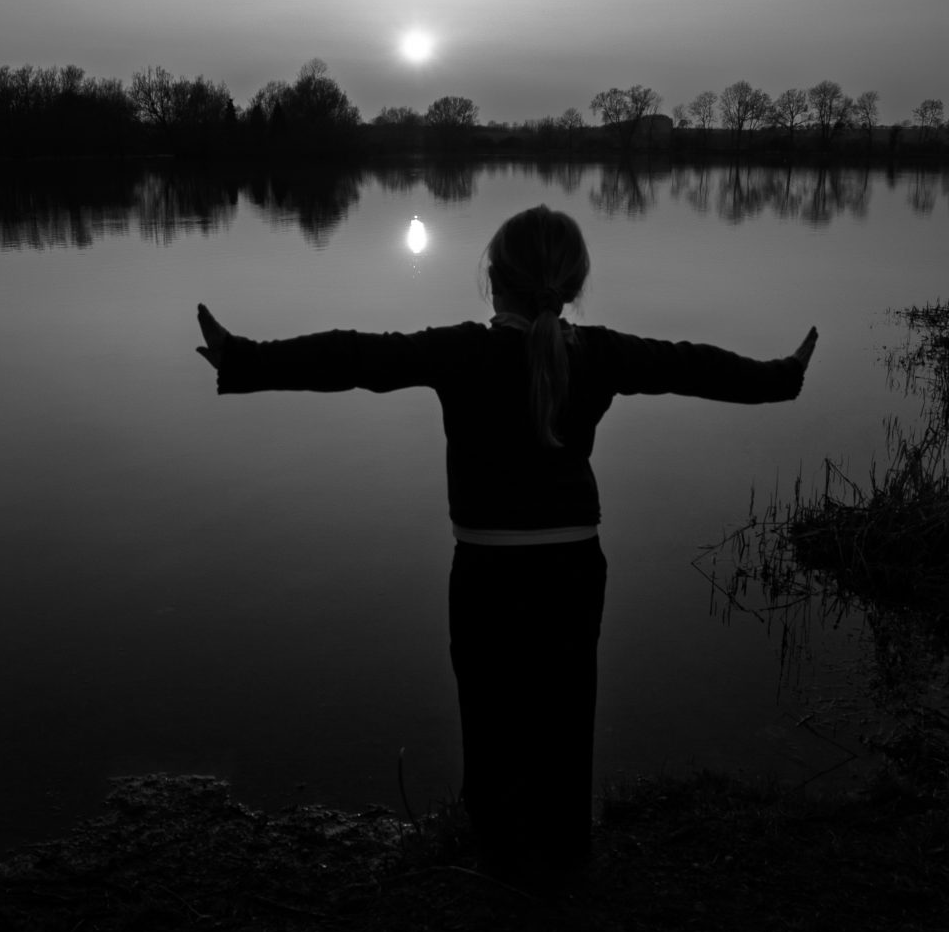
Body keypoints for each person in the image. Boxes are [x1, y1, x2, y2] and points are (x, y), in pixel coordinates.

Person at [196, 204, 817, 880]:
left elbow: (356, 355)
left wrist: (244, 360)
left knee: (491, 717)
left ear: (494, 280)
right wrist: (782, 376)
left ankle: (499, 857)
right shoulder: (599, 351)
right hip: (574, 562)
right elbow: (696, 368)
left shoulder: (463, 349)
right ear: (572, 283)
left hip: (488, 566)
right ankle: (565, 856)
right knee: (566, 713)